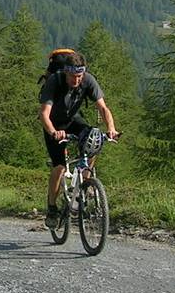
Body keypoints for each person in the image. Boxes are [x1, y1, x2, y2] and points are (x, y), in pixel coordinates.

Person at [38, 50, 118, 229]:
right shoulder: (55, 81)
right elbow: (44, 114)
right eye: (73, 76)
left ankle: (85, 184)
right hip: (53, 124)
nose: (76, 80)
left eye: (79, 76)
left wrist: (111, 129)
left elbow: (103, 108)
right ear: (66, 72)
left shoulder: (88, 80)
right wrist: (53, 132)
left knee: (94, 138)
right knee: (59, 167)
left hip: (72, 120)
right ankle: (52, 208)